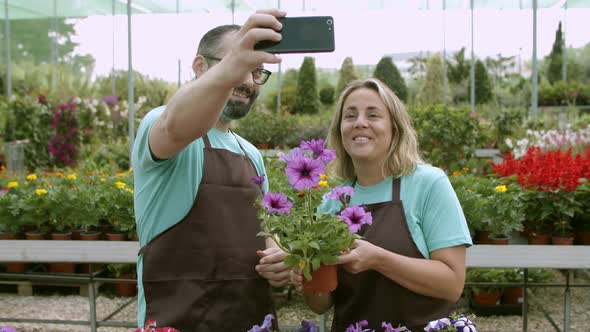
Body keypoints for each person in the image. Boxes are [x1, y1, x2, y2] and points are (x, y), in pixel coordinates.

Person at [131, 9, 290, 331]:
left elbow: (265, 230)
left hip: (249, 317)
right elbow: (177, 127)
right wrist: (231, 70)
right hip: (178, 317)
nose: (247, 80)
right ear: (200, 66)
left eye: (257, 71)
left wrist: (279, 259)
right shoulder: (162, 123)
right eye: (237, 64)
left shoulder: (250, 154)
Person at [291, 78, 473, 331]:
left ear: (395, 128)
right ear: (340, 130)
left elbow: (452, 284)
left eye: (373, 115)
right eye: (350, 115)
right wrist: (307, 276)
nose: (360, 122)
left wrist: (378, 259)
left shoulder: (428, 184)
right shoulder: (332, 203)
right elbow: (321, 305)